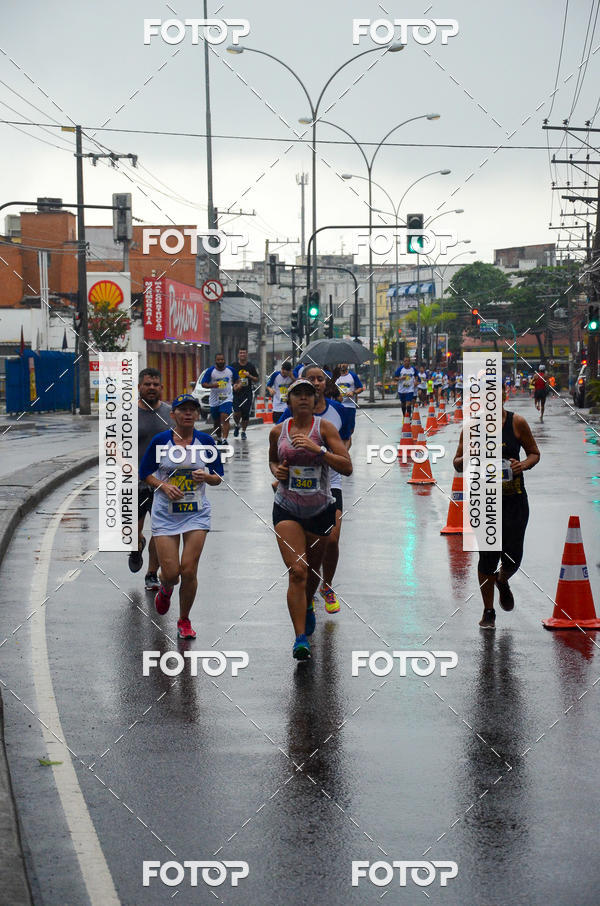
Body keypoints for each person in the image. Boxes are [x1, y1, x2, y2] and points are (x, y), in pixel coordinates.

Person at [269, 379, 352, 660]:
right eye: (297, 394)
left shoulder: (324, 429)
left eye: (308, 394)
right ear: (289, 400)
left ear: (315, 400)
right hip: (287, 508)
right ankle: (300, 638)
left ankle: (307, 606)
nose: (303, 399)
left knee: (312, 572)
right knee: (298, 572)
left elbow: (347, 466)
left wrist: (318, 450)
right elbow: (272, 460)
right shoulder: (278, 431)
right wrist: (277, 471)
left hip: (320, 509)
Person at [453, 388, 540, 629]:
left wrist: (524, 464)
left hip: (515, 500)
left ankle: (503, 579)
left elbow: (534, 453)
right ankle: (488, 610)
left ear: (503, 397)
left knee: (513, 556)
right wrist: (470, 457)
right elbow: (457, 463)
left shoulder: (516, 423)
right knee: (487, 557)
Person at [139, 394, 223, 639]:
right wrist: (163, 486)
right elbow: (145, 473)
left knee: (188, 570)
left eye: (192, 410)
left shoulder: (206, 441)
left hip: (196, 513)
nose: (188, 414)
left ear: (197, 415)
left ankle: (184, 620)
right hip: (166, 514)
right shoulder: (160, 441)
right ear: (173, 414)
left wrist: (206, 477)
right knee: (172, 573)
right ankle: (165, 589)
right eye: (182, 410)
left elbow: (219, 476)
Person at [130, 368, 172, 590]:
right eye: (147, 384)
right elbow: (111, 443)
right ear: (139, 387)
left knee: (160, 530)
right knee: (132, 532)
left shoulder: (170, 413)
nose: (152, 388)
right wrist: (124, 465)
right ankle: (137, 546)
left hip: (161, 484)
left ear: (161, 388)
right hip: (134, 483)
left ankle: (151, 573)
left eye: (156, 384)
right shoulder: (127, 414)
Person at [200, 353, 239, 443]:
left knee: (225, 417)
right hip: (214, 399)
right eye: (218, 360)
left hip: (227, 398)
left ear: (224, 360)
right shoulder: (211, 371)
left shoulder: (230, 370)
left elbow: (238, 380)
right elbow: (203, 383)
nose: (220, 361)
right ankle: (219, 437)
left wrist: (238, 385)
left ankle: (225, 439)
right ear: (215, 361)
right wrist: (212, 385)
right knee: (217, 421)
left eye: (222, 359)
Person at [231, 347, 259, 439]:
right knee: (237, 412)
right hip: (237, 393)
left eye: (244, 353)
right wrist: (234, 385)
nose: (242, 354)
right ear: (238, 355)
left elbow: (256, 379)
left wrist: (249, 375)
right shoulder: (234, 366)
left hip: (247, 393)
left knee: (245, 413)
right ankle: (237, 425)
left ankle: (243, 431)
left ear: (246, 354)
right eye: (241, 353)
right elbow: (229, 377)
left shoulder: (250, 366)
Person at [334, 362, 364, 448]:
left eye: (344, 363)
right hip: (338, 407)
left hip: (350, 406)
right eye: (341, 362)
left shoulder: (352, 375)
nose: (342, 365)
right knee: (339, 430)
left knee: (350, 430)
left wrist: (353, 392)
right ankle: (343, 452)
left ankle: (345, 449)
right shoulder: (335, 377)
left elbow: (360, 388)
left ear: (348, 364)